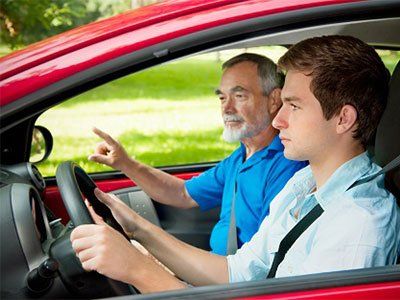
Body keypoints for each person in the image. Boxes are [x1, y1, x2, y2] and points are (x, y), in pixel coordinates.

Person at [70, 35, 400, 294]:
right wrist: (137, 229)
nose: (280, 119)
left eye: (294, 106)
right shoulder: (303, 187)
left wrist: (139, 270)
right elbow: (237, 273)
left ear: (343, 118)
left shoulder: (358, 226)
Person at [87, 53, 307, 255]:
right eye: (222, 98)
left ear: (273, 100)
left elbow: (261, 263)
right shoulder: (240, 157)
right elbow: (182, 193)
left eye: (239, 96)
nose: (227, 108)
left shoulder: (287, 164)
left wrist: (144, 242)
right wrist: (125, 163)